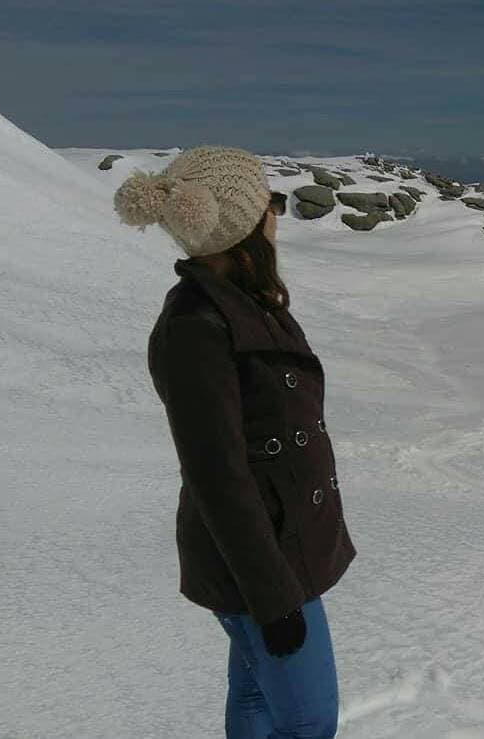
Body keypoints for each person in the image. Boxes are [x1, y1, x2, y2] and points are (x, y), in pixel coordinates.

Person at [114, 146, 357, 738]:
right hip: (260, 563)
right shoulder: (197, 326)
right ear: (243, 225)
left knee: (255, 695)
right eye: (271, 203)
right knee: (308, 721)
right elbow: (217, 476)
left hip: (275, 548)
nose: (278, 214)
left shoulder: (244, 302)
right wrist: (274, 600)